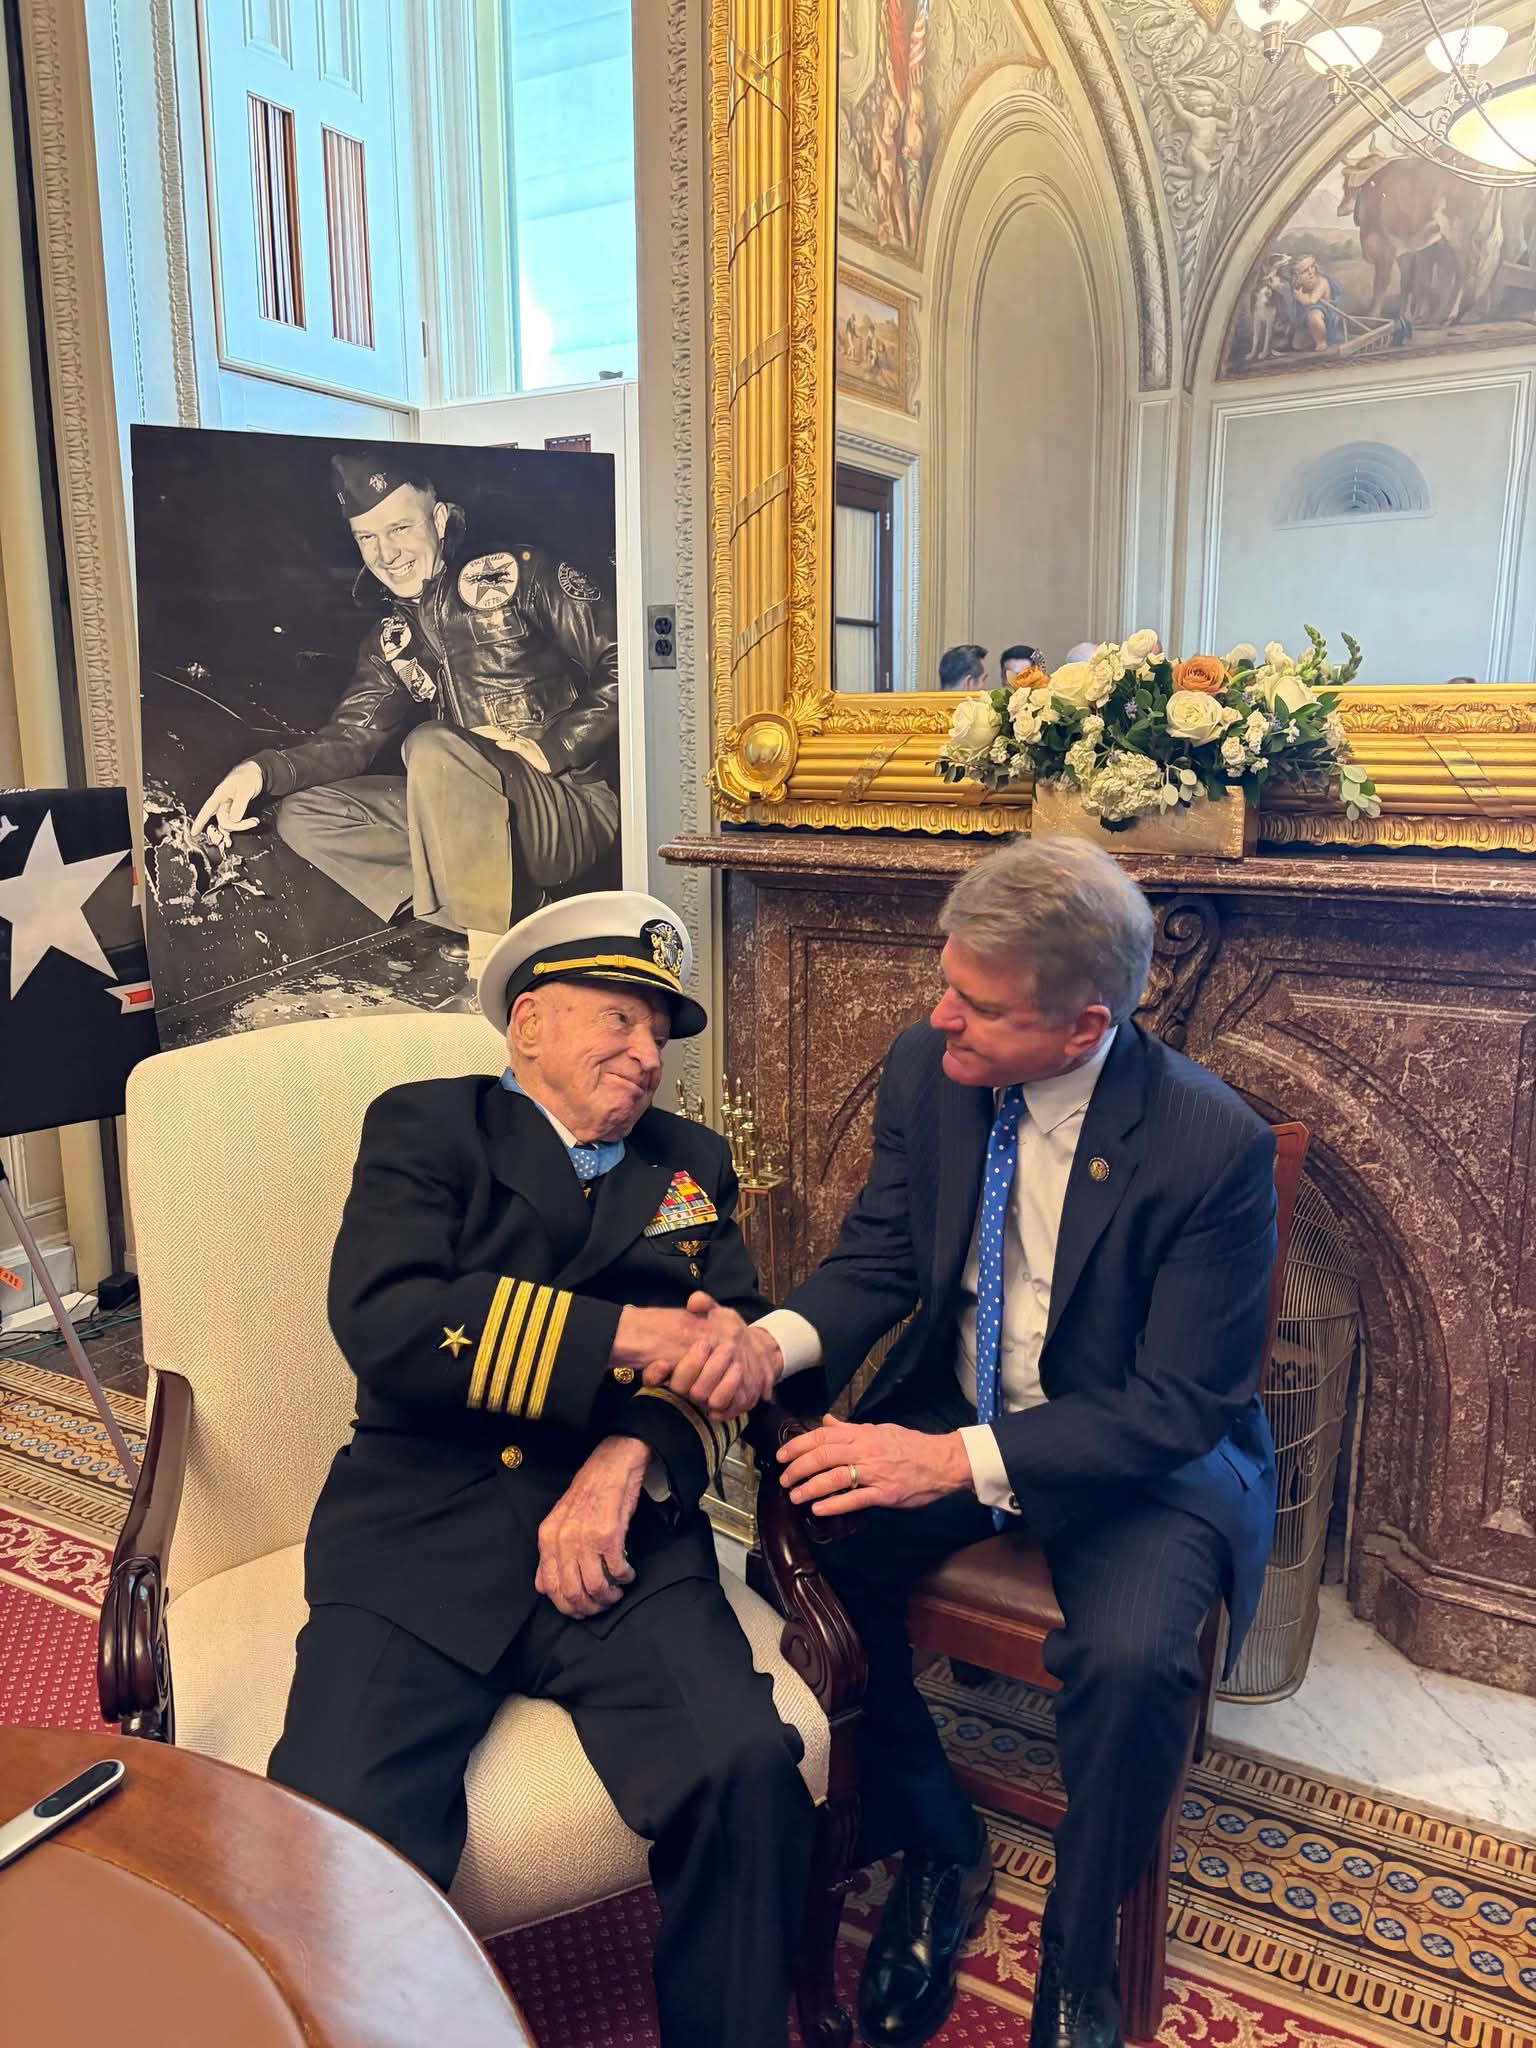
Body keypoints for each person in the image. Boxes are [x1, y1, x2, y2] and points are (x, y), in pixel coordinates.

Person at [742, 838, 1278, 2048]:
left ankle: (1077, 1965)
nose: (940, 1019)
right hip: (970, 1394)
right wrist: (767, 1345)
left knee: (1135, 1661)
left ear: (1084, 1025)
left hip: (1145, 1454)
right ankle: (937, 1844)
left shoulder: (1210, 1144)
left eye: (976, 1006)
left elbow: (1178, 1404)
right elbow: (882, 1255)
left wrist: (946, 1461)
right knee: (803, 1540)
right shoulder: (930, 1067)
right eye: (945, 984)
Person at [267, 890, 811, 2048]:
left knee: (745, 1771)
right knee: (338, 1823)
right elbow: (391, 1321)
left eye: (659, 1032)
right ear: (525, 1025)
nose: (646, 1052)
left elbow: (736, 1349)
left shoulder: (687, 1162)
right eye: (617, 1018)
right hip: (422, 1523)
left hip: (623, 1534)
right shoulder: (426, 1126)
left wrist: (630, 1458)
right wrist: (630, 1333)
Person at [191, 453, 621, 993]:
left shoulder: (518, 573)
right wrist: (257, 772)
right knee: (305, 815)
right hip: (472, 824)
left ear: (440, 520)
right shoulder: (390, 639)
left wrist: (554, 747)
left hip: (565, 806)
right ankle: (504, 910)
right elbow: (349, 740)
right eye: (367, 538)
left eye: (399, 528)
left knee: (431, 744)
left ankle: (491, 967)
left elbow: (626, 658)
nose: (386, 554)